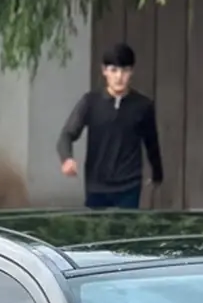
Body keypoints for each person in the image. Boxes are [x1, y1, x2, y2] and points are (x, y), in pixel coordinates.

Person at [56, 43, 164, 210]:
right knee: (97, 232)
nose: (119, 77)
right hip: (97, 184)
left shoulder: (143, 105)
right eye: (114, 70)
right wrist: (66, 158)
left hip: (128, 184)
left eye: (125, 70)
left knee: (125, 231)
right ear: (104, 71)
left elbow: (152, 142)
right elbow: (67, 134)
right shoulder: (90, 102)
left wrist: (157, 174)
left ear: (131, 72)